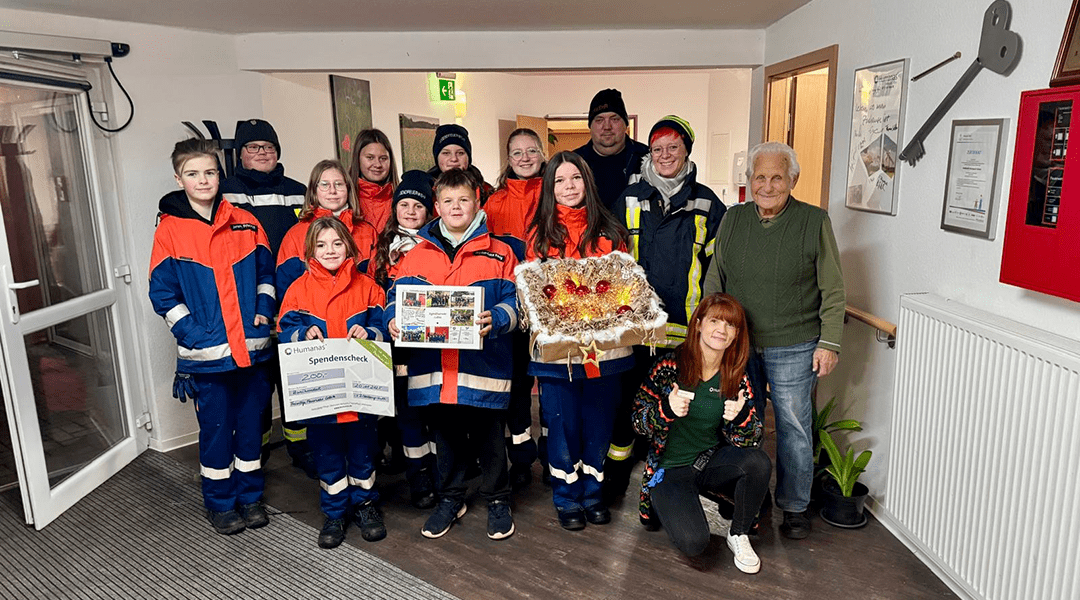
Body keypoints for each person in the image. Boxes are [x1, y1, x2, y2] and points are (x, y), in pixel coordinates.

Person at [703, 141, 846, 540]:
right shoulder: (732, 219)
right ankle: (747, 496)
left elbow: (833, 289)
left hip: (795, 344)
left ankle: (795, 506)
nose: (767, 185)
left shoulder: (814, 221)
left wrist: (829, 342)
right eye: (759, 177)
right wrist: (709, 330)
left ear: (793, 180)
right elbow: (716, 278)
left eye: (776, 177)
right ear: (750, 180)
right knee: (736, 422)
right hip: (739, 344)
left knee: (794, 427)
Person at [149, 138, 275, 535]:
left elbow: (267, 276)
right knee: (217, 431)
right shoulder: (170, 231)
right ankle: (220, 503)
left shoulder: (246, 221)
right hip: (206, 357)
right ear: (178, 178)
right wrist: (192, 332)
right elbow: (162, 293)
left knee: (252, 427)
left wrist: (263, 313)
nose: (202, 180)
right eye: (193, 173)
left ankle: (251, 497)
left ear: (220, 175)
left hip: (253, 350)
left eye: (209, 172)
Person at [385, 168, 519, 541]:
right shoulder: (417, 255)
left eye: (463, 199)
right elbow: (395, 299)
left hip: (484, 368)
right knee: (445, 438)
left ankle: (497, 498)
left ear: (477, 201)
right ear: (437, 207)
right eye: (448, 201)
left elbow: (516, 303)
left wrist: (501, 317)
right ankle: (451, 497)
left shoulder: (501, 252)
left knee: (490, 438)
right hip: (434, 370)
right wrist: (393, 320)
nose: (456, 206)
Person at [606, 116, 727, 501]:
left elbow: (718, 270)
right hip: (634, 324)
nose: (664, 155)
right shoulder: (628, 198)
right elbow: (607, 257)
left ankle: (668, 477)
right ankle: (618, 470)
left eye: (673, 147)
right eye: (657, 148)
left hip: (684, 326)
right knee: (627, 397)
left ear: (687, 151)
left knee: (677, 402)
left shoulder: (708, 204)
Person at [525, 151, 633, 530]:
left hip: (606, 352)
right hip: (558, 355)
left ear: (587, 182)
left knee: (599, 424)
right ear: (549, 189)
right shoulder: (539, 238)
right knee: (563, 425)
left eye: (575, 179)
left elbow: (625, 291)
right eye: (560, 181)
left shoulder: (612, 233)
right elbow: (537, 296)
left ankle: (592, 494)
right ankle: (566, 496)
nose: (569, 187)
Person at [632, 293, 770, 573]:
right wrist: (665, 410)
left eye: (730, 325)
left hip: (710, 461)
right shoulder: (668, 367)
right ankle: (669, 500)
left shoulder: (736, 375)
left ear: (736, 334)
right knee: (695, 543)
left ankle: (738, 534)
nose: (721, 330)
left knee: (758, 464)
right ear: (698, 324)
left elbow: (753, 439)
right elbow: (637, 422)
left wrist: (742, 416)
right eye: (715, 320)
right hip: (670, 468)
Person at [278, 216, 388, 549]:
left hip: (360, 394)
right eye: (321, 245)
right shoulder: (298, 289)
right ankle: (335, 511)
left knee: (363, 454)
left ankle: (366, 506)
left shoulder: (369, 286)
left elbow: (384, 328)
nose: (330, 251)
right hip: (321, 398)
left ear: (349, 247)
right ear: (310, 249)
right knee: (326, 455)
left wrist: (369, 333)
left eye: (337, 243)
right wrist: (301, 333)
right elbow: (284, 330)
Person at [220, 119, 310, 475]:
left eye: (268, 147)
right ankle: (254, 452)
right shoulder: (225, 192)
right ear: (241, 154)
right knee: (255, 385)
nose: (262, 153)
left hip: (293, 301)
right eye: (254, 147)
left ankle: (300, 446)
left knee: (294, 380)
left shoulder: (298, 191)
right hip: (249, 306)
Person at [367, 169, 439, 510]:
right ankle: (418, 476)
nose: (410, 212)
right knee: (405, 412)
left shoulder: (436, 245)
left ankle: (440, 471)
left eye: (418, 206)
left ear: (430, 211)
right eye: (404, 204)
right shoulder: (381, 248)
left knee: (432, 410)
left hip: (429, 343)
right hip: (394, 343)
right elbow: (370, 293)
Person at [485, 128, 547, 489]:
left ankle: (554, 457)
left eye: (531, 150)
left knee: (554, 386)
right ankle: (521, 457)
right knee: (516, 388)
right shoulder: (493, 203)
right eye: (517, 152)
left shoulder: (555, 193)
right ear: (507, 159)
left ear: (541, 154)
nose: (524, 158)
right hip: (509, 310)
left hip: (547, 309)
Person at [276, 159, 379, 299]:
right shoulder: (296, 234)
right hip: (312, 318)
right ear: (313, 190)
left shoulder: (367, 232)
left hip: (358, 317)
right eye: (325, 185)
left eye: (339, 184)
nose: (332, 191)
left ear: (348, 189)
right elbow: (287, 291)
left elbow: (378, 285)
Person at [573, 89, 649, 213]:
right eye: (599, 120)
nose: (607, 127)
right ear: (590, 127)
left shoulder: (647, 158)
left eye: (614, 119)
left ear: (626, 124)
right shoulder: (574, 161)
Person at [348, 128, 399, 233]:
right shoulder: (343, 198)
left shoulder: (401, 199)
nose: (377, 165)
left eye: (383, 158)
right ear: (357, 159)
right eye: (370, 158)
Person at [427, 124, 493, 204]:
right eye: (446, 153)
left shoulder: (486, 191)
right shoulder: (426, 189)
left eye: (460, 153)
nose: (454, 159)